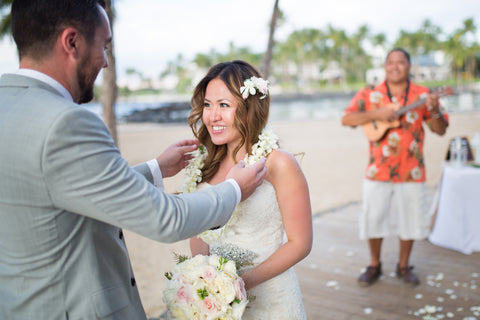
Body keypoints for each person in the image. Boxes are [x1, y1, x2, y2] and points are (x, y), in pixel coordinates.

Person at [0, 1, 267, 319]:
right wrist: (234, 188)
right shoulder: (66, 123)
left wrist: (156, 169)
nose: (104, 62)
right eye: (104, 45)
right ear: (71, 42)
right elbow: (167, 219)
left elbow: (57, 186)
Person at [183, 60, 313, 319]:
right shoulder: (204, 162)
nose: (212, 116)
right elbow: (199, 231)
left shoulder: (279, 163)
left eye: (224, 105)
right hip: (216, 303)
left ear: (248, 108)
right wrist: (205, 282)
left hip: (271, 300)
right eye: (207, 104)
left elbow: (301, 243)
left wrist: (239, 285)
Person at [342, 48, 449, 287]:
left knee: (410, 221)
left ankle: (403, 266)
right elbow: (347, 119)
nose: (395, 66)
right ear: (385, 66)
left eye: (400, 62)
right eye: (390, 62)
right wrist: (376, 113)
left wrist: (433, 108)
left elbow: (440, 130)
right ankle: (374, 264)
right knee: (373, 218)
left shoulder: (423, 94)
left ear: (410, 66)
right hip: (377, 170)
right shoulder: (369, 93)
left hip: (412, 170)